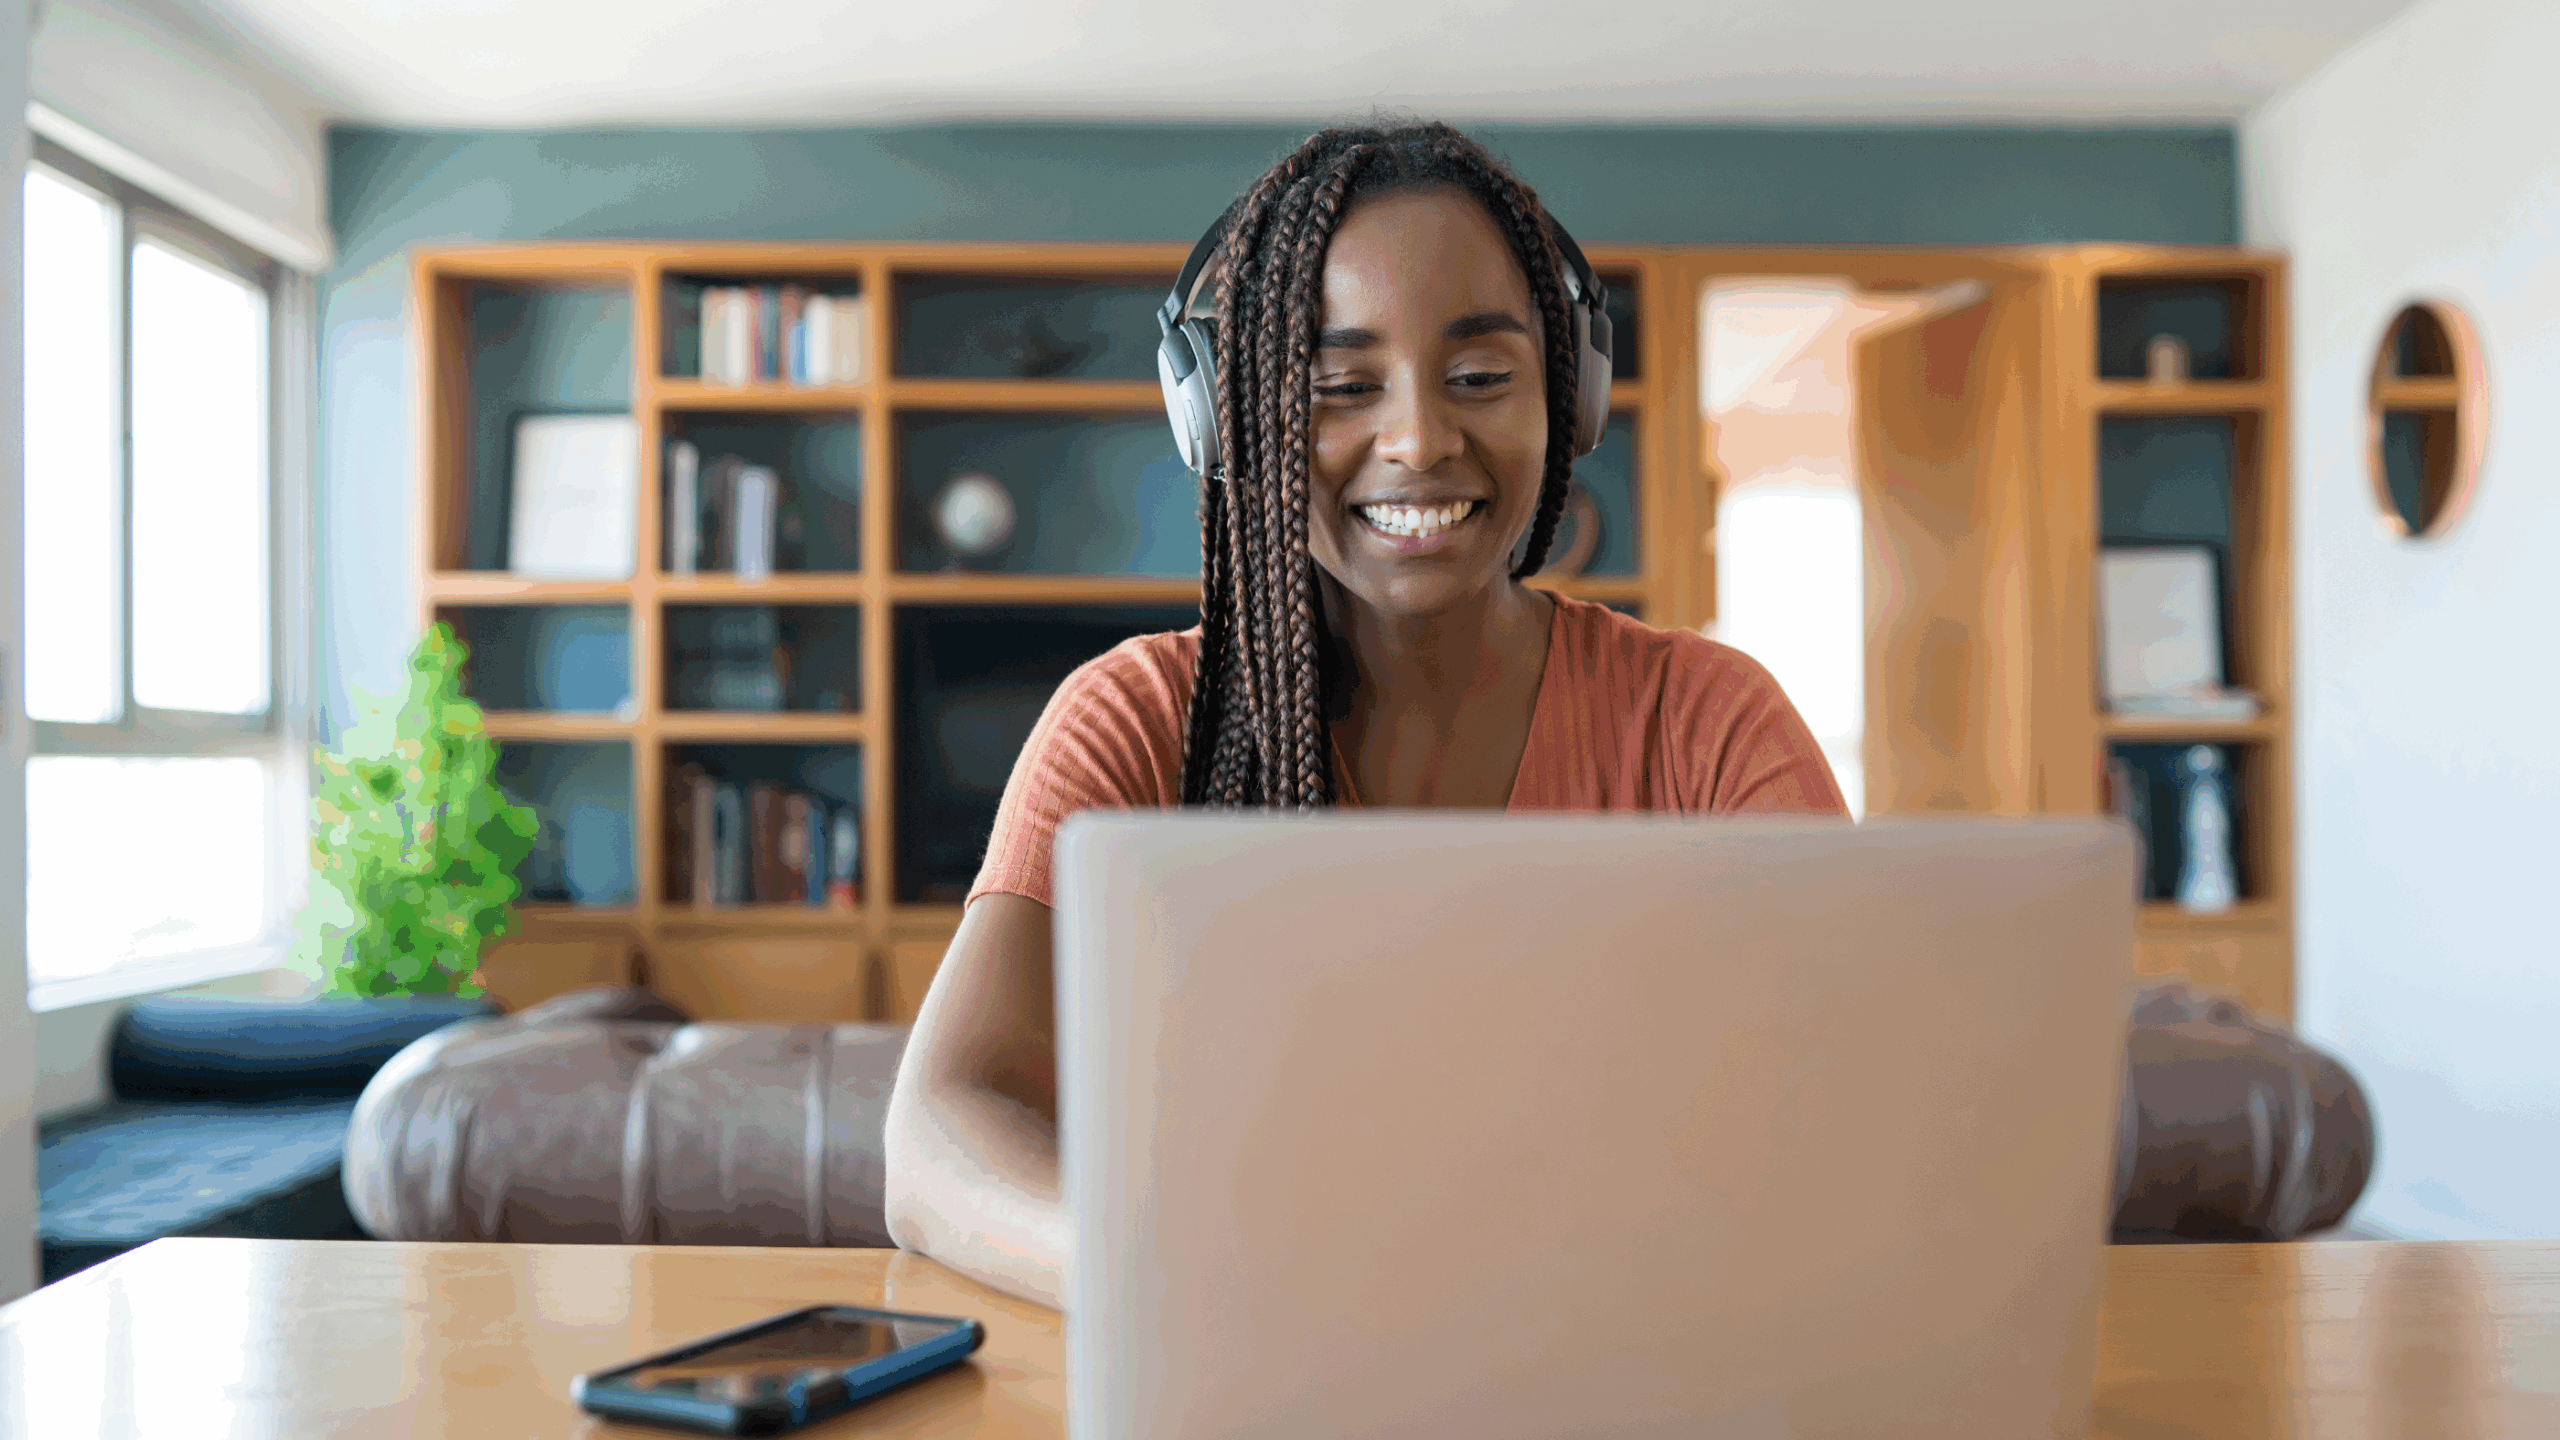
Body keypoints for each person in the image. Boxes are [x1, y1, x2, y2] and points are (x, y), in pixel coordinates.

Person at [881, 120, 1847, 1307]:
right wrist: (1180, 1275)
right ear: (1228, 423)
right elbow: (938, 1138)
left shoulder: (1705, 721)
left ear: (1571, 399)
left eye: (1482, 377)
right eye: (1339, 386)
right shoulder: (1135, 717)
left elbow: (1849, 1099)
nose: (1420, 441)